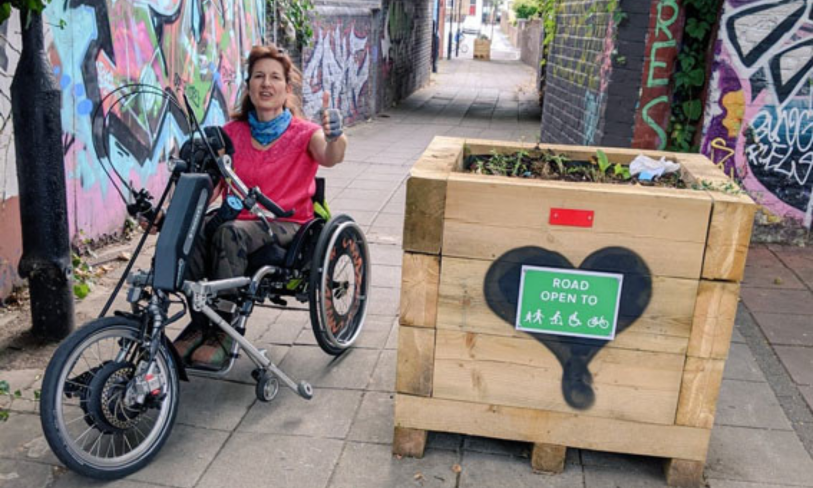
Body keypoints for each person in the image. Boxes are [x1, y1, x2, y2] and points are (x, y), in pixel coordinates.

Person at [173, 44, 348, 368]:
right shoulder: (231, 133)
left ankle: (223, 330)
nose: (266, 84)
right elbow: (212, 186)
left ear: (287, 88)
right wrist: (169, 218)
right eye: (258, 76)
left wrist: (335, 136)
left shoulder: (305, 133)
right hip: (237, 217)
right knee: (193, 233)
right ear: (249, 85)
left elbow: (330, 156)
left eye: (274, 78)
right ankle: (200, 323)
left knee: (229, 234)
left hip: (286, 223)